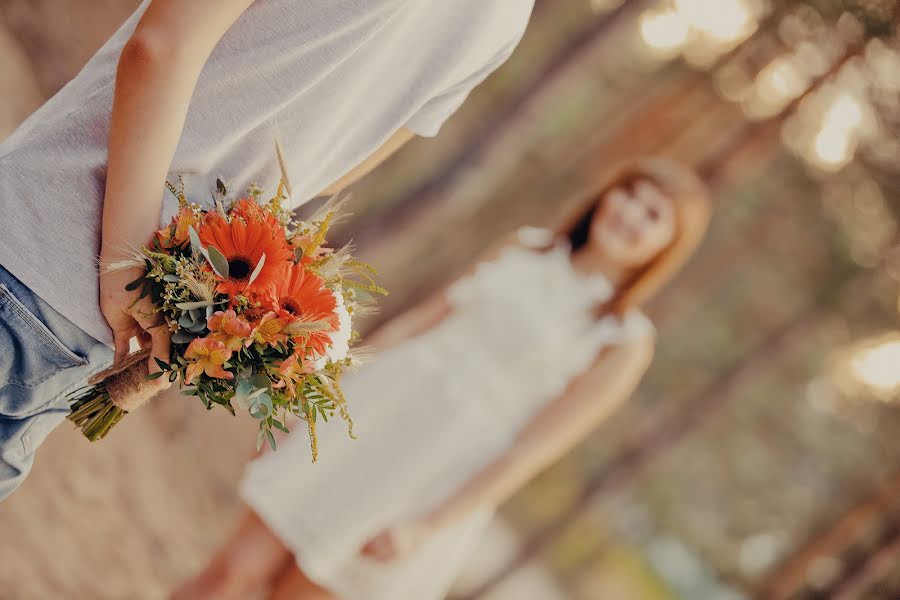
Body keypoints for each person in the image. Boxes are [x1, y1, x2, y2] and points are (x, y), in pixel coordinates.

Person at [0, 0, 534, 500]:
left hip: (40, 235)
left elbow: (164, 44)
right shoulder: (505, 22)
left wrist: (125, 256)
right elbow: (339, 168)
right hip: (115, 326)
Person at [174, 157, 712, 600]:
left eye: (654, 214)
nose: (632, 215)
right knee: (229, 575)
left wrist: (426, 527)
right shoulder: (525, 247)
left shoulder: (620, 341)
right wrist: (316, 402)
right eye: (631, 194)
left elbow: (530, 451)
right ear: (608, 193)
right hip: (371, 414)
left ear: (666, 246)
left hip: (430, 477)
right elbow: (416, 323)